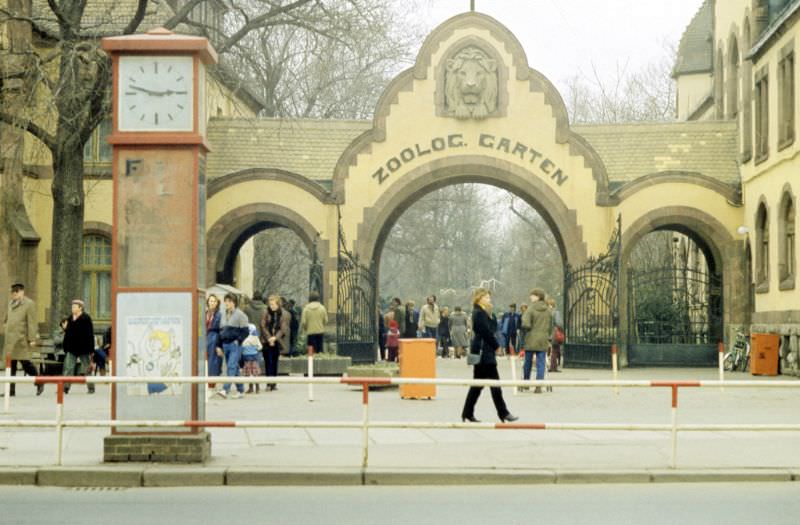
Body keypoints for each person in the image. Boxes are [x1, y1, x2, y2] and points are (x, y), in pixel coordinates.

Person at [460, 288, 517, 423]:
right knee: (494, 384)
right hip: (483, 351)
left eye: (488, 297)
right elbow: (486, 332)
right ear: (479, 298)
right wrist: (497, 346)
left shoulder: (484, 312)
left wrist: (491, 315)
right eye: (486, 297)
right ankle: (503, 412)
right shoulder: (478, 312)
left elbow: (492, 327)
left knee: (478, 385)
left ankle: (467, 412)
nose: (488, 299)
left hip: (485, 351)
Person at [1, 283, 42, 397]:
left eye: (16, 292)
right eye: (12, 292)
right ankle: (10, 390)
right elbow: (6, 318)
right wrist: (6, 325)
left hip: (21, 339)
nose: (13, 294)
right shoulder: (11, 303)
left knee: (26, 363)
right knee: (11, 365)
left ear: (21, 292)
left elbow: (32, 322)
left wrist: (32, 338)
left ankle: (39, 381)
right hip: (11, 340)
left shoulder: (29, 304)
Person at [217, 293, 249, 399]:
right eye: (226, 301)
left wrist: (238, 341)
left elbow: (245, 331)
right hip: (225, 344)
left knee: (231, 366)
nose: (227, 303)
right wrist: (219, 345)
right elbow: (220, 331)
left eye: (229, 301)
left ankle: (225, 389)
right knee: (233, 367)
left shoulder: (240, 315)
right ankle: (240, 390)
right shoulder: (223, 314)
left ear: (234, 302)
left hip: (235, 345)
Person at [521, 288, 553, 393]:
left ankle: (526, 383)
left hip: (531, 338)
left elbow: (525, 324)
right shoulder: (548, 310)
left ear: (538, 297)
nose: (531, 297)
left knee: (528, 362)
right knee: (541, 363)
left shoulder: (530, 309)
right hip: (543, 339)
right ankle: (538, 385)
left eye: (533, 295)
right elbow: (551, 326)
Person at [62, 299, 95, 394]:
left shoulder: (86, 318)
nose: (72, 308)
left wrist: (91, 349)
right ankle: (65, 387)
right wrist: (65, 329)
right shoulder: (70, 318)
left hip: (83, 348)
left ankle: (91, 387)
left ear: (80, 308)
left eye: (74, 307)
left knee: (87, 368)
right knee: (68, 368)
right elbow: (68, 332)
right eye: (72, 307)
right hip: (71, 348)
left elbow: (90, 334)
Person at [261, 294, 290, 391]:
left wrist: (275, 338)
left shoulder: (283, 314)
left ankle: (274, 382)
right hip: (266, 340)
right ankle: (269, 383)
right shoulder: (265, 312)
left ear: (278, 304)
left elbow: (283, 329)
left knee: (274, 362)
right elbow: (263, 325)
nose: (272, 306)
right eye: (270, 304)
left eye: (273, 304)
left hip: (277, 341)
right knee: (267, 361)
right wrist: (269, 338)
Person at [300, 291, 327, 355]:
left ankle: (311, 364)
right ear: (318, 298)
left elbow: (303, 322)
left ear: (310, 299)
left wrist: (306, 328)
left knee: (311, 352)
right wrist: (321, 325)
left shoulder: (306, 309)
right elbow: (326, 320)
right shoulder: (322, 308)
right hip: (320, 332)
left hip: (310, 333)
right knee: (320, 351)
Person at [205, 294, 223, 390]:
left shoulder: (219, 314)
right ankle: (206, 381)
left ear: (217, 303)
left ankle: (212, 383)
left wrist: (219, 345)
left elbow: (221, 330)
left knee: (214, 362)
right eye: (211, 301)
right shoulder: (205, 313)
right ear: (208, 302)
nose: (212, 303)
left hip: (214, 338)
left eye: (214, 301)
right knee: (205, 360)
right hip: (205, 338)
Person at [241, 324, 262, 394]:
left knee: (249, 373)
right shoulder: (256, 338)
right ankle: (257, 388)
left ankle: (251, 388)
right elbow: (260, 347)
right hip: (255, 358)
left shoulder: (245, 338)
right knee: (255, 373)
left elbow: (242, 346)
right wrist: (255, 349)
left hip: (247, 358)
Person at [547, 297, 564, 372]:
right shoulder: (556, 312)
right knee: (555, 350)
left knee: (552, 350)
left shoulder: (547, 312)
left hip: (549, 333)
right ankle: (553, 367)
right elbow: (559, 323)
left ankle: (552, 366)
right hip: (555, 333)